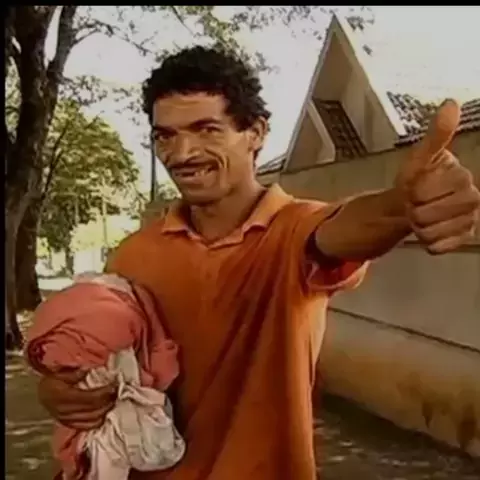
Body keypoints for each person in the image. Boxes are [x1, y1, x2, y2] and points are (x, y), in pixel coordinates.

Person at [37, 46, 480, 480]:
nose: (182, 153)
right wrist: (58, 391)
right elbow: (103, 359)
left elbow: (345, 228)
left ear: (256, 133)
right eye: (165, 136)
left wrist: (400, 207)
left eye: (207, 129)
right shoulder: (132, 254)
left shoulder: (293, 232)